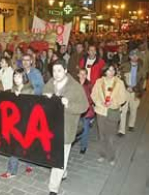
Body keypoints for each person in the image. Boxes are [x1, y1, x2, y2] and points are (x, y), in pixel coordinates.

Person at [43, 59, 89, 195]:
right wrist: (46, 98)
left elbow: (84, 106)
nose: (56, 74)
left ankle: (53, 188)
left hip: (66, 127)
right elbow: (42, 98)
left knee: (59, 156)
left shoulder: (75, 87)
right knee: (56, 156)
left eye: (59, 71)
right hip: (51, 126)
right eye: (54, 71)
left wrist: (68, 105)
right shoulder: (50, 83)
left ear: (65, 71)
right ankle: (63, 171)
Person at [0, 68, 34, 179]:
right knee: (16, 145)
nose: (16, 79)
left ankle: (12, 171)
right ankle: (24, 165)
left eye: (18, 76)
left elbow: (31, 106)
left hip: (25, 122)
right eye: (14, 76)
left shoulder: (29, 90)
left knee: (22, 144)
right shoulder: (12, 89)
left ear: (24, 77)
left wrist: (21, 97)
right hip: (14, 122)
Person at [91, 64, 127, 166]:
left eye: (112, 70)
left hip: (113, 112)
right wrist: (99, 102)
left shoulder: (119, 83)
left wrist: (114, 103)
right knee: (102, 135)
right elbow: (93, 95)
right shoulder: (99, 82)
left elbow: (123, 97)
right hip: (101, 111)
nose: (111, 72)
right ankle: (102, 154)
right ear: (105, 71)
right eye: (108, 70)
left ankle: (111, 157)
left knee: (111, 136)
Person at [118, 49, 145, 136]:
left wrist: (136, 89)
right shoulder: (124, 66)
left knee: (134, 109)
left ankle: (131, 125)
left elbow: (142, 80)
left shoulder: (141, 67)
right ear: (129, 56)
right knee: (123, 110)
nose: (134, 57)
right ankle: (121, 130)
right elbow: (120, 78)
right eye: (132, 55)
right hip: (125, 91)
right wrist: (126, 86)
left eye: (136, 55)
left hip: (135, 91)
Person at [77, 68, 95, 154]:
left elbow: (92, 97)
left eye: (84, 74)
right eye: (81, 74)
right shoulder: (74, 84)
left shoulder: (89, 84)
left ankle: (83, 146)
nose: (83, 76)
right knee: (77, 127)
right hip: (76, 110)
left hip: (86, 110)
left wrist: (87, 102)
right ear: (78, 74)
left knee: (85, 128)